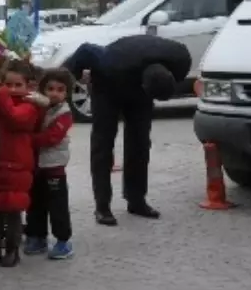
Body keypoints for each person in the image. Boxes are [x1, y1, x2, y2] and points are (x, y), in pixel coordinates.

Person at [67, 35, 191, 225]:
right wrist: (72, 79)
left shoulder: (181, 60)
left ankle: (136, 200)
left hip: (140, 89)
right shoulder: (111, 60)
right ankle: (102, 206)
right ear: (143, 84)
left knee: (140, 142)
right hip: (108, 85)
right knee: (103, 142)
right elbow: (85, 49)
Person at [0, 60, 46, 267]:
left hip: (18, 166)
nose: (11, 89)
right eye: (7, 84)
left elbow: (14, 118)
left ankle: (12, 249)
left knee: (13, 211)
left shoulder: (30, 106)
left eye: (17, 85)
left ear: (28, 86)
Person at [24, 69, 75, 259]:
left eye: (60, 89)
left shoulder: (64, 113)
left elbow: (51, 137)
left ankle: (63, 241)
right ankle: (37, 236)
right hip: (37, 166)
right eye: (50, 88)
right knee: (35, 203)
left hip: (54, 168)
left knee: (58, 206)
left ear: (67, 93)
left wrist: (27, 139)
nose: (54, 93)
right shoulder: (40, 107)